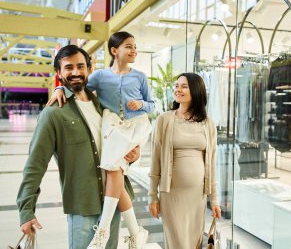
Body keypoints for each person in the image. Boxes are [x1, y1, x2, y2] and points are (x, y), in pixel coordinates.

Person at [17, 44, 140, 249]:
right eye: (68, 67)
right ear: (59, 73)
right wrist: (26, 211)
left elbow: (119, 144)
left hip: (115, 200)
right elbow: (35, 164)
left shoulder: (103, 106)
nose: (75, 72)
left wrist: (133, 155)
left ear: (89, 70)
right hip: (84, 207)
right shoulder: (54, 113)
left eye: (80, 66)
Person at [48, 31, 154, 249]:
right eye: (129, 46)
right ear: (114, 51)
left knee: (113, 170)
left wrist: (141, 105)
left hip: (135, 128)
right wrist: (59, 86)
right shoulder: (101, 76)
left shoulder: (140, 77)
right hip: (114, 127)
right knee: (114, 173)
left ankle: (103, 230)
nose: (134, 50)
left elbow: (153, 105)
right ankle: (135, 232)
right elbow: (79, 86)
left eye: (135, 47)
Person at [148, 72, 222, 249]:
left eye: (184, 86)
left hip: (198, 196)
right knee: (177, 243)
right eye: (176, 86)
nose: (178, 90)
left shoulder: (208, 124)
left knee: (193, 243)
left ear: (196, 91)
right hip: (171, 194)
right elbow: (156, 159)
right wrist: (153, 196)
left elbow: (211, 164)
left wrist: (215, 200)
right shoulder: (164, 120)